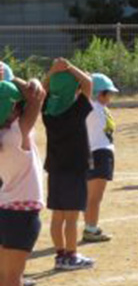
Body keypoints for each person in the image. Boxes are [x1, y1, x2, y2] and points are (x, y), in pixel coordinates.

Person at [0, 78, 47, 286]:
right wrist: (21, 81)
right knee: (13, 274)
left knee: (3, 272)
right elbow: (37, 98)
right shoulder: (17, 132)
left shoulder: (4, 135)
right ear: (14, 108)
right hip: (22, 212)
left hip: (5, 208)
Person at [41, 60, 94, 271]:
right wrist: (70, 67)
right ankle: (71, 256)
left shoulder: (47, 111)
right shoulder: (76, 109)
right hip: (75, 169)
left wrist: (52, 72)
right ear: (74, 89)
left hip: (55, 168)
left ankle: (60, 255)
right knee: (72, 217)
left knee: (58, 215)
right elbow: (88, 83)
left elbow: (41, 90)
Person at [82, 73, 118, 244]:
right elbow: (85, 92)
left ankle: (90, 226)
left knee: (91, 197)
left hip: (97, 153)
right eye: (108, 93)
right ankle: (91, 229)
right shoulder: (92, 106)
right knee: (94, 197)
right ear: (99, 93)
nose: (110, 97)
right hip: (99, 154)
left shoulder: (99, 108)